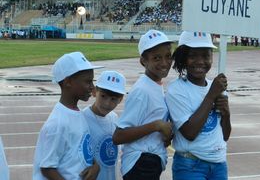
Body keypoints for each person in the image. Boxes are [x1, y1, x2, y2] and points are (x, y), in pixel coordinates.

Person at [165, 31, 231, 180]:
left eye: (206, 55)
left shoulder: (216, 87)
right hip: (190, 165)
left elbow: (225, 136)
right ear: (182, 58)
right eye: (193, 55)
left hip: (219, 164)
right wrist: (211, 96)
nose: (200, 61)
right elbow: (190, 133)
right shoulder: (176, 89)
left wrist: (226, 114)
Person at [112, 29, 173, 180]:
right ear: (143, 61)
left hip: (149, 160)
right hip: (141, 163)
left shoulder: (155, 85)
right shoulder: (142, 91)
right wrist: (156, 126)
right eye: (157, 58)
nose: (164, 62)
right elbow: (119, 136)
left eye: (168, 56)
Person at [33, 51, 101, 180]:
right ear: (68, 82)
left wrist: (96, 166)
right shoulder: (58, 123)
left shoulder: (77, 113)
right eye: (88, 82)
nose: (92, 87)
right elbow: (47, 168)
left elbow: (81, 151)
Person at [83, 70, 126, 180]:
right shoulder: (82, 119)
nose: (107, 103)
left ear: (120, 99)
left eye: (113, 99)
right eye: (103, 96)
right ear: (94, 91)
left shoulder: (115, 118)